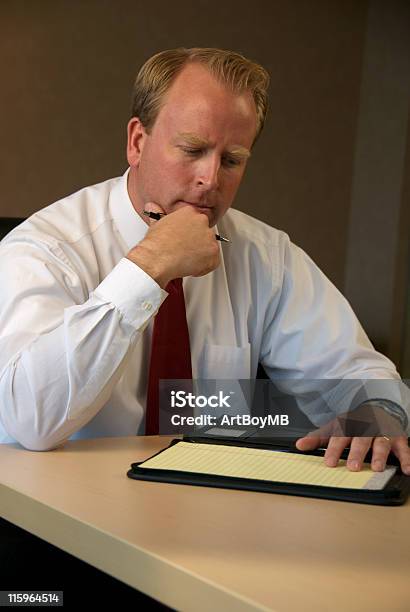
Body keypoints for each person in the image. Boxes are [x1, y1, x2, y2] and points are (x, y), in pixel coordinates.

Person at [0, 47, 409, 474]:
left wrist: (375, 413)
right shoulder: (46, 247)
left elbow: (361, 373)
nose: (210, 180)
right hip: (57, 515)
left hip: (205, 508)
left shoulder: (265, 256)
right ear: (137, 142)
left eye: (232, 160)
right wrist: (148, 268)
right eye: (192, 150)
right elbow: (31, 422)